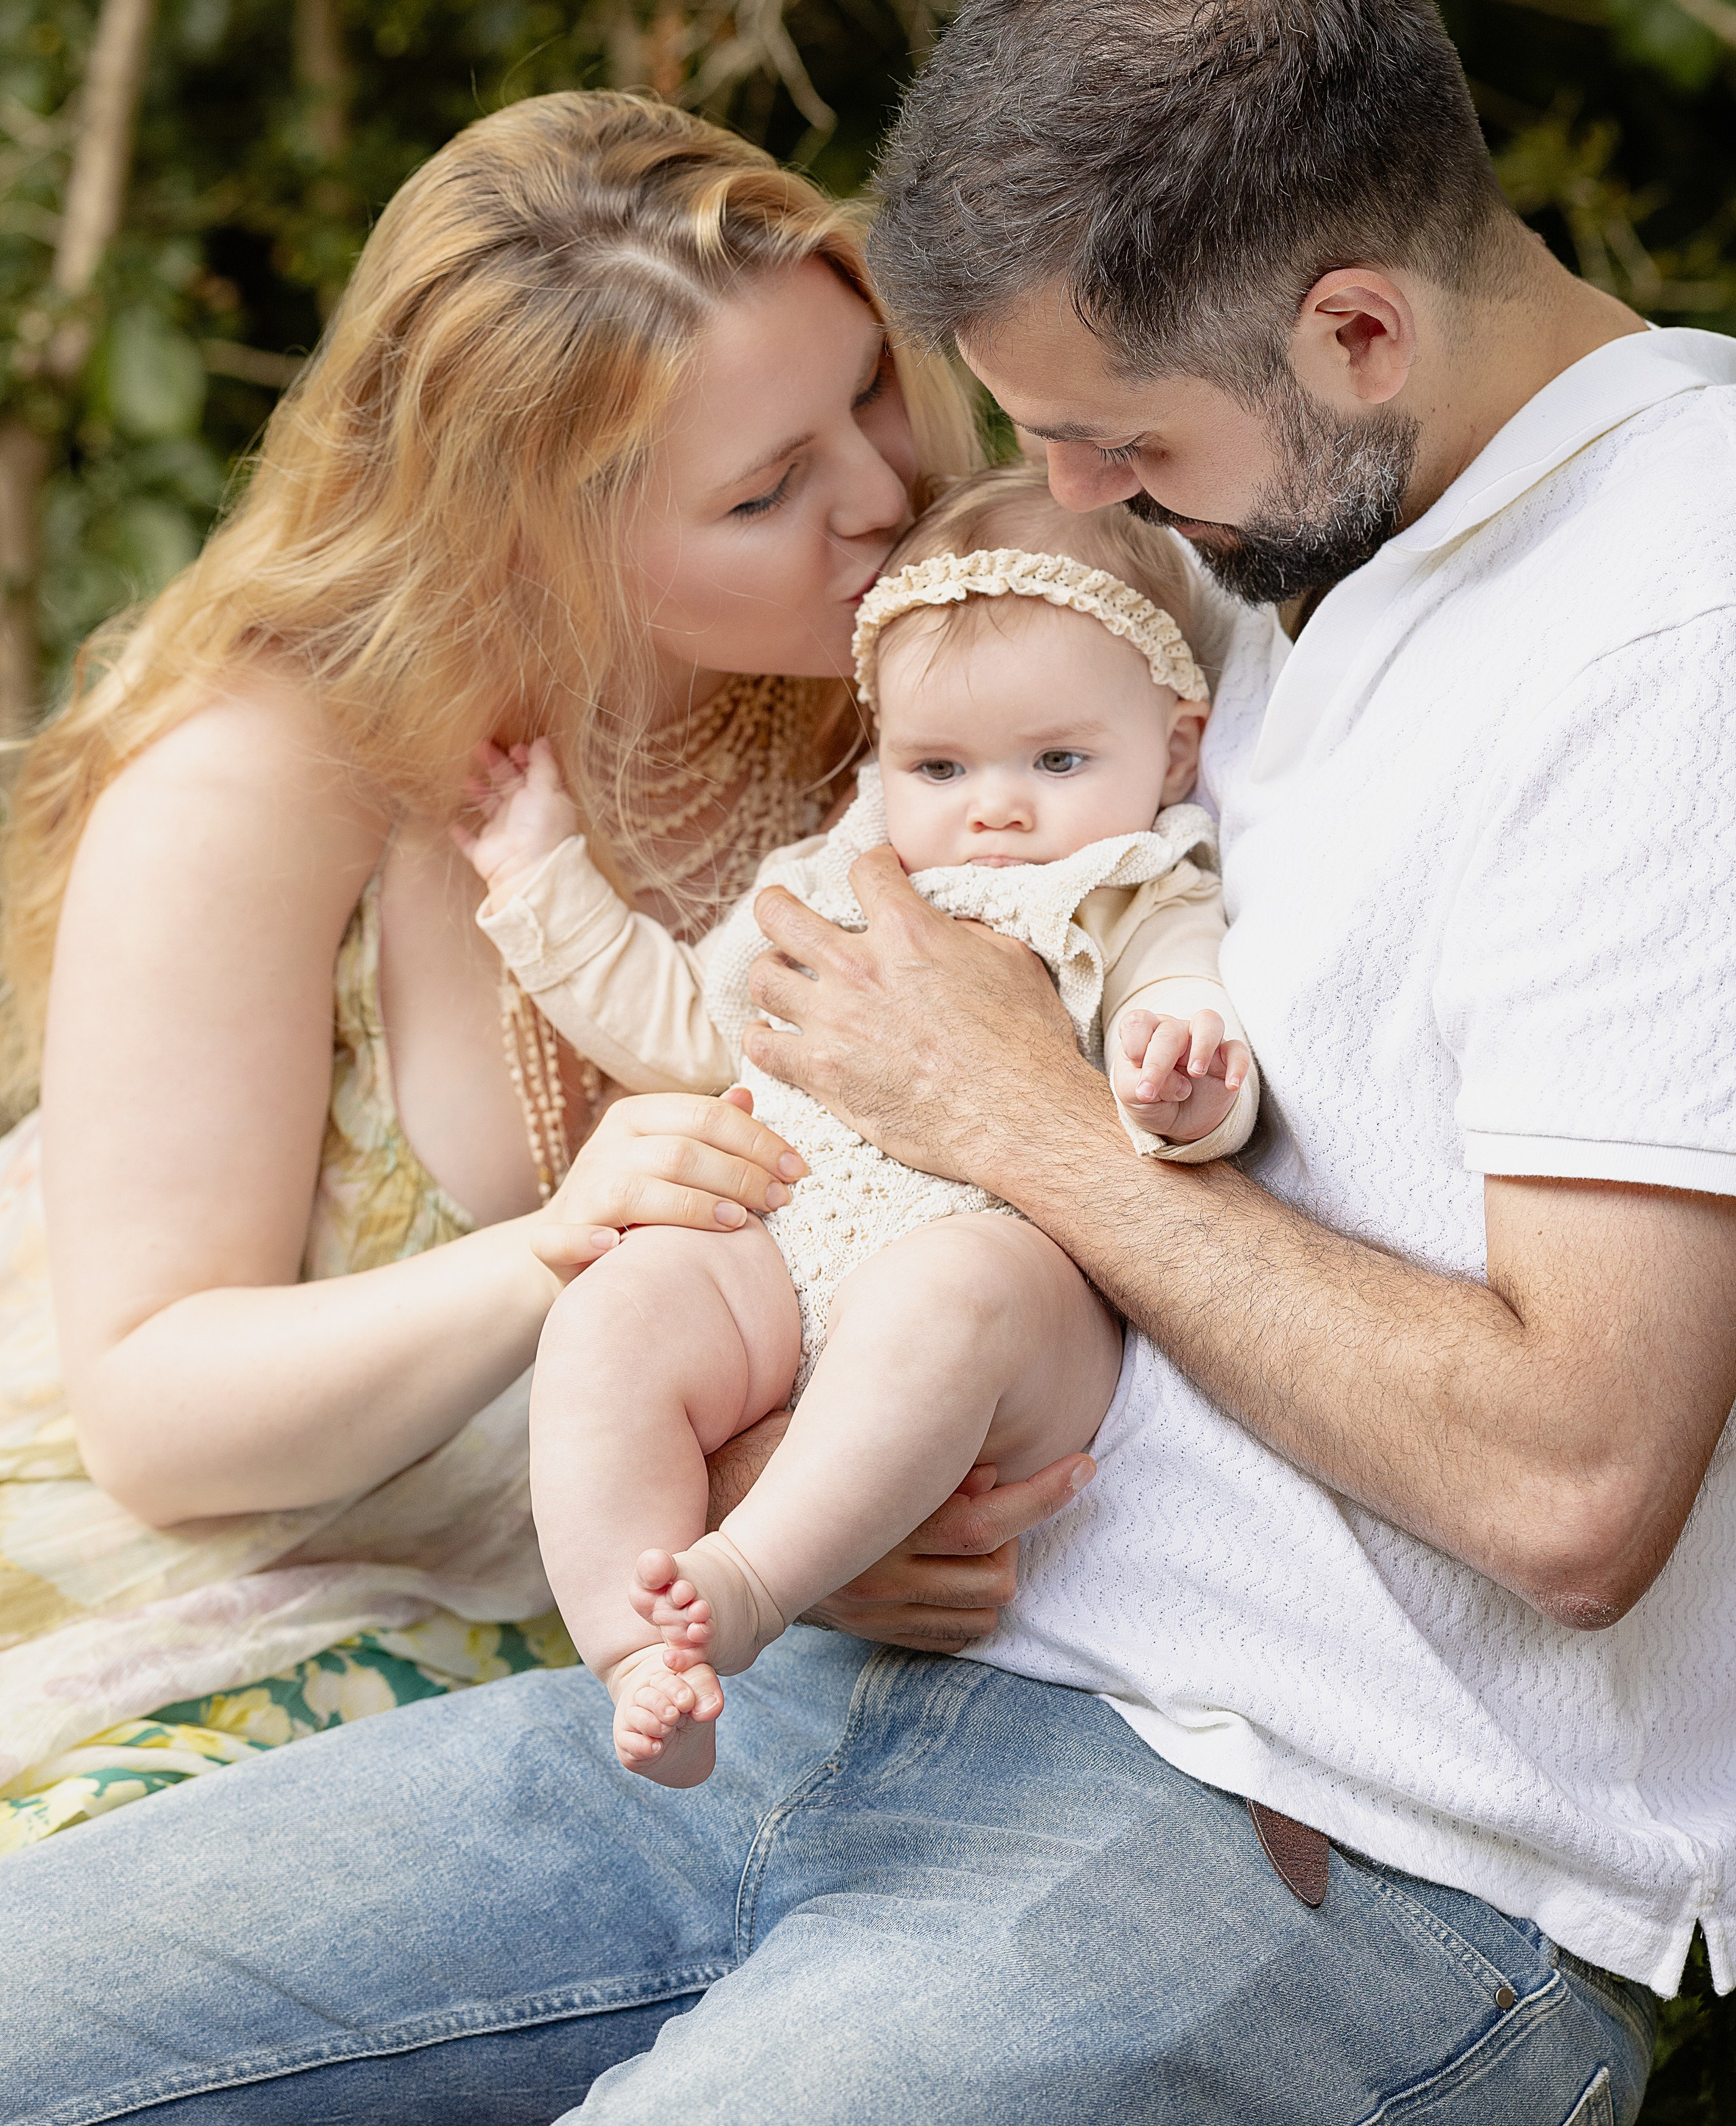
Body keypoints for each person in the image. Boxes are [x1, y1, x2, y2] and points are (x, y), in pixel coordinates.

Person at [3, 0, 1721, 2125]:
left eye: (1119, 449)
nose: (1046, 509)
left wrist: (1021, 1119)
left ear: (1362, 330)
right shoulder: (1305, 520)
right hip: (838, 1695)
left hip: (1320, 1839)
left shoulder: (1663, 634)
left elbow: (1578, 1479)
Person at [0, 91, 1057, 1851]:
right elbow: (155, 1416)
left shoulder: (939, 700)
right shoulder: (265, 785)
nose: (880, 494)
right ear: (534, 531)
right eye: (766, 488)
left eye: (867, 389)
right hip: (196, 1595)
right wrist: (551, 1263)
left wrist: (795, 1501)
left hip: (635, 1632)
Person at [458, 464, 1254, 1782]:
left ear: (1172, 746)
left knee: (947, 1292)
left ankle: (749, 1585)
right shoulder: (842, 878)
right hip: (784, 1243)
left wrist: (1181, 1085)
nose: (994, 806)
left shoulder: (1131, 887)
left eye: (1058, 760)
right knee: (612, 1309)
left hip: (1016, 1297)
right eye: (938, 765)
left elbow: (1181, 1008)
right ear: (882, 757)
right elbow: (687, 1023)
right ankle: (634, 1652)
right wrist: (540, 877)